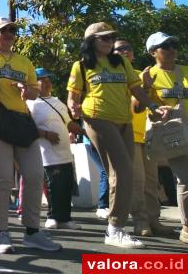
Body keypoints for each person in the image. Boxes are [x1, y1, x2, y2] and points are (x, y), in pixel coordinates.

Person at [0, 17, 61, 254]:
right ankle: (2, 232)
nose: (8, 33)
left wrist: (27, 91)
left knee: (35, 174)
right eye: (2, 30)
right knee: (4, 178)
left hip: (21, 122)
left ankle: (32, 232)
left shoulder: (25, 61)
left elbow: (33, 93)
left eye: (12, 30)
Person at [67, 22, 168, 249]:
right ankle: (115, 228)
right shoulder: (80, 66)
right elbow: (72, 96)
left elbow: (136, 90)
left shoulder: (121, 62)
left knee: (124, 173)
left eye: (112, 37)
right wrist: (73, 108)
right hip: (97, 118)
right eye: (104, 38)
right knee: (122, 170)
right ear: (91, 41)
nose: (109, 41)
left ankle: (116, 227)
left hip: (124, 120)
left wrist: (152, 106)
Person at [114, 37, 174, 237]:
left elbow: (150, 105)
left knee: (151, 181)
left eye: (128, 48)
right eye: (119, 49)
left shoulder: (142, 75)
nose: (125, 51)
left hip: (146, 135)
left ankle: (153, 220)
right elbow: (133, 105)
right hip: (126, 134)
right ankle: (140, 222)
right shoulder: (111, 77)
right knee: (137, 181)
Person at [139, 32, 188, 244]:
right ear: (153, 52)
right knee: (185, 179)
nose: (171, 48)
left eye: (173, 43)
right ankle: (186, 227)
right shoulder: (149, 75)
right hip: (173, 134)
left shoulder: (185, 70)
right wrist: (149, 91)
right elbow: (138, 107)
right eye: (165, 45)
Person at [27, 68, 81, 230]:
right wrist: (45, 134)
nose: (47, 82)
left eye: (49, 78)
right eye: (42, 79)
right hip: (47, 154)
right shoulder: (30, 104)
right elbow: (26, 127)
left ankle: (65, 218)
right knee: (53, 186)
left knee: (66, 185)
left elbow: (69, 123)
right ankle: (53, 216)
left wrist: (85, 131)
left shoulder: (58, 102)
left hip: (65, 152)